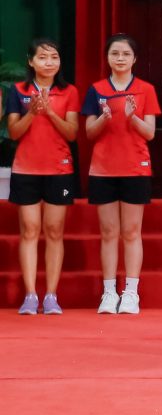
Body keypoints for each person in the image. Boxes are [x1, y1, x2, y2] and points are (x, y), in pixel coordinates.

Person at [82, 34, 160, 315]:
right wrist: (105, 118)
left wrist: (131, 117)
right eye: (115, 53)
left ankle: (130, 292)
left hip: (135, 168)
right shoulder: (96, 90)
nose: (120, 58)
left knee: (131, 231)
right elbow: (89, 133)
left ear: (134, 58)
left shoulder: (145, 90)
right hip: (103, 169)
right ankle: (109, 292)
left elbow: (149, 133)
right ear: (107, 58)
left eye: (126, 54)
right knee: (108, 232)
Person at [5, 38, 80, 315]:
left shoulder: (69, 91)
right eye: (43, 57)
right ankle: (30, 295)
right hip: (26, 169)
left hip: (59, 169)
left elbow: (72, 133)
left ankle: (50, 296)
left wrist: (49, 112)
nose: (49, 63)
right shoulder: (18, 91)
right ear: (31, 61)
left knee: (54, 231)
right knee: (30, 230)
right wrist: (32, 114)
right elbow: (14, 132)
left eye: (54, 57)